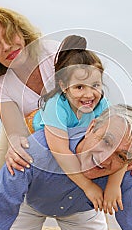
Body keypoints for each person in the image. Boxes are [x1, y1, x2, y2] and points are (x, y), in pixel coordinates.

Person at [0, 7, 132, 200]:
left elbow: (92, 90)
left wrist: (128, 149)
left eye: (10, 35)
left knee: (111, 162)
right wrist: (15, 145)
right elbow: (17, 132)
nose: (6, 46)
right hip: (27, 125)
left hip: (76, 118)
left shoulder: (53, 52)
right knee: (2, 173)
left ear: (22, 34)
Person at [0, 104, 132, 230]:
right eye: (106, 141)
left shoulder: (127, 170)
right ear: (91, 127)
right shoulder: (33, 152)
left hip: (81, 211)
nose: (104, 158)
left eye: (120, 155)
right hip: (30, 204)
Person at [31, 34, 126, 214]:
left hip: (81, 149)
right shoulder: (56, 105)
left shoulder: (103, 105)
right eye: (79, 87)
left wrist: (114, 185)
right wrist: (88, 186)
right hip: (51, 149)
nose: (89, 95)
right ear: (64, 86)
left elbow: (121, 141)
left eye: (95, 85)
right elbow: (61, 152)